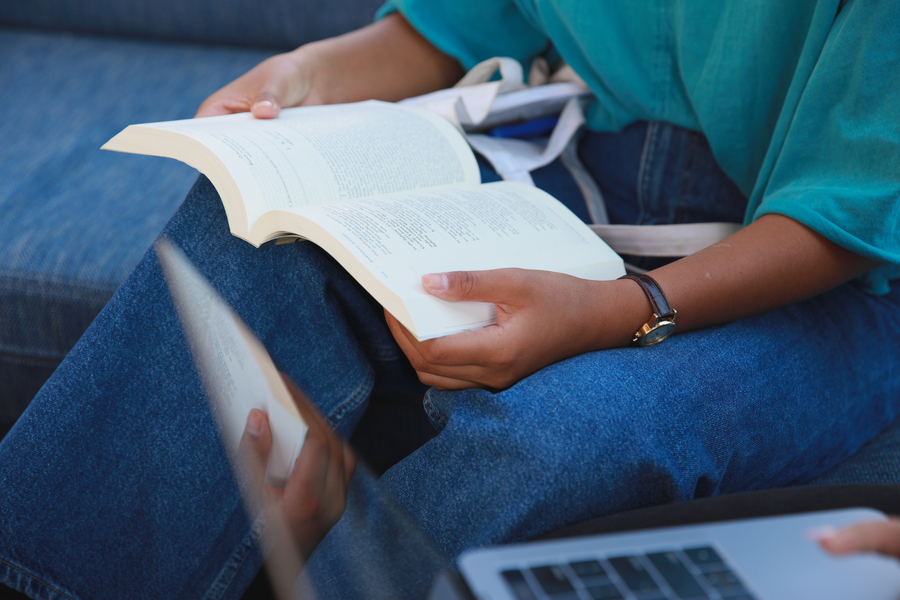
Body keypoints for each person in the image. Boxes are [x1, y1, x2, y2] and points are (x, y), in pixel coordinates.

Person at [1, 1, 899, 598]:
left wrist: (618, 309)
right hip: (587, 177)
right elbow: (465, 19)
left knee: (564, 431)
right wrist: (305, 75)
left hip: (832, 267)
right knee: (245, 229)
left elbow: (853, 206)